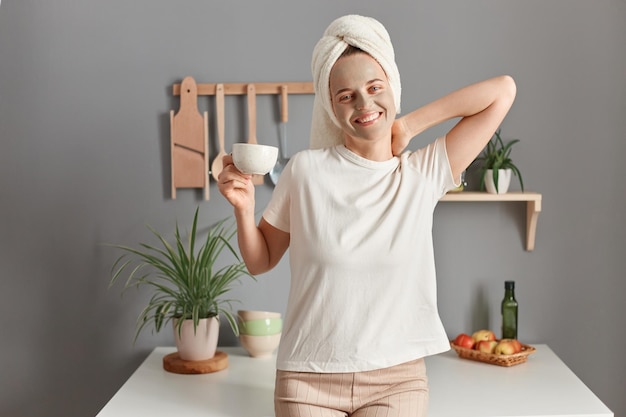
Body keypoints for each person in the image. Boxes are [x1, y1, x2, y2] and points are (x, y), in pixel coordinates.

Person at [218, 14, 516, 417]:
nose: (364, 104)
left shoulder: (422, 173)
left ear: (393, 86)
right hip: (307, 380)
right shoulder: (305, 171)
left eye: (375, 88)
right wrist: (244, 209)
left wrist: (409, 123)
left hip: (397, 383)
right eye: (346, 96)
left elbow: (502, 91)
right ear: (331, 107)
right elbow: (261, 259)